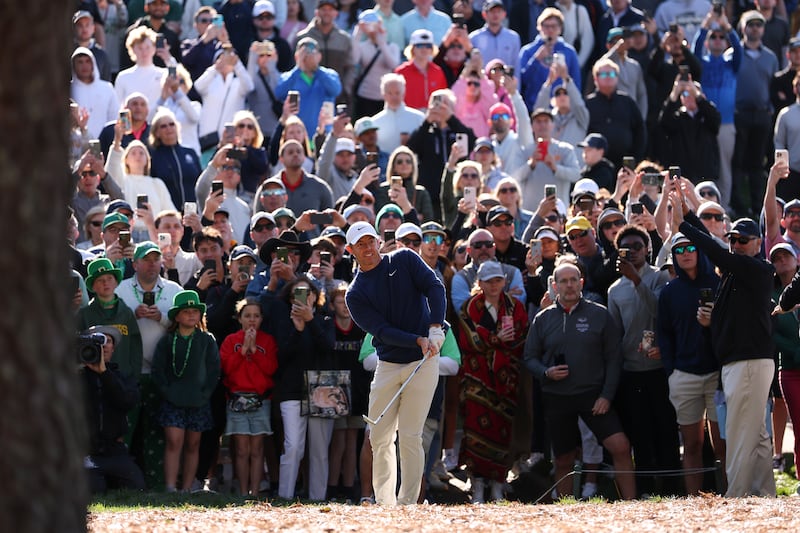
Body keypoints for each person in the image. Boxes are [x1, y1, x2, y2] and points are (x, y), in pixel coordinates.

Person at [675, 191, 777, 497]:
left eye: (743, 240)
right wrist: (689, 215)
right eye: (733, 239)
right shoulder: (733, 276)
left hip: (748, 363)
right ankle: (763, 495)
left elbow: (715, 250)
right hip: (741, 363)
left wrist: (684, 225)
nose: (736, 245)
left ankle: (736, 497)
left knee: (738, 433)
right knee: (755, 433)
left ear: (758, 244)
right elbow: (717, 247)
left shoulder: (758, 269)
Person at [344, 221, 447, 506]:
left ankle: (407, 503)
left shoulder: (404, 258)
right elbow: (382, 330)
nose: (367, 248)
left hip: (423, 362)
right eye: (360, 245)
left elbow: (434, 287)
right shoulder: (354, 294)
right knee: (379, 437)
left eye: (370, 241)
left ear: (378, 240)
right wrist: (417, 339)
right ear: (351, 250)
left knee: (411, 435)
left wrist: (435, 327)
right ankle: (385, 502)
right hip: (389, 363)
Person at [523, 259, 636, 500]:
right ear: (554, 285)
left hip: (593, 396)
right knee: (563, 459)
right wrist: (546, 372)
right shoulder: (543, 319)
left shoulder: (600, 314)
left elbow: (614, 359)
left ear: (581, 282)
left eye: (573, 280)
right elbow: (529, 358)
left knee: (621, 446)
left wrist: (606, 395)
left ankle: (631, 505)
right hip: (557, 396)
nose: (569, 285)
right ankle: (566, 513)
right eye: (563, 281)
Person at [607, 224, 680, 497]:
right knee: (640, 432)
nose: (633, 252)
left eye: (638, 246)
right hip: (631, 370)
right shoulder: (614, 290)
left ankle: (673, 488)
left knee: (666, 429)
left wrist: (636, 280)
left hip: (660, 368)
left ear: (648, 248)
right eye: (626, 248)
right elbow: (616, 334)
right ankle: (647, 489)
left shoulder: (659, 278)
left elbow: (659, 311)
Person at [658, 232, 724, 494]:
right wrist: (671, 370)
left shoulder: (719, 283)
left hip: (717, 374)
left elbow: (730, 329)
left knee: (722, 443)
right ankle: (695, 502)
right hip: (683, 375)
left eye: (690, 247)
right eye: (679, 250)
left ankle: (731, 496)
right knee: (692, 444)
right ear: (673, 256)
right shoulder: (669, 292)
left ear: (700, 251)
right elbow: (664, 334)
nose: (685, 253)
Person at [457, 260, 528, 503]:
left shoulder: (514, 307)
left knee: (502, 430)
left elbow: (520, 339)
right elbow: (468, 340)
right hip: (477, 379)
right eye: (488, 281)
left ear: (504, 281)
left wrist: (493, 342)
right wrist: (496, 339)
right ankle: (477, 485)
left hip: (506, 379)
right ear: (480, 283)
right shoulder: (470, 307)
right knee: (475, 428)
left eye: (498, 280)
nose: (494, 285)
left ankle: (498, 483)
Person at [151, 290, 220, 493]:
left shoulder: (207, 340)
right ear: (177, 316)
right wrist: (168, 391)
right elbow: (158, 370)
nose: (191, 315)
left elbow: (214, 370)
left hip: (199, 400)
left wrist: (204, 394)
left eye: (195, 311)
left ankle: (188, 488)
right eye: (186, 311)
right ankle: (171, 486)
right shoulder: (167, 341)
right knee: (174, 442)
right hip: (172, 400)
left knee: (193, 444)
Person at [219, 297, 279, 497]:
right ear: (240, 319)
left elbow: (271, 369)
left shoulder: (268, 341)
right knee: (242, 450)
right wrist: (243, 350)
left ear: (261, 319)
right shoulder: (230, 341)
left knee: (257, 449)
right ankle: (243, 491)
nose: (252, 320)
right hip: (237, 399)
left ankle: (255, 492)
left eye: (256, 316)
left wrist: (254, 350)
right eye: (247, 316)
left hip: (261, 400)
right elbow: (226, 369)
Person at [80, 325, 145, 494]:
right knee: (95, 489)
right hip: (86, 452)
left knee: (136, 487)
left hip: (114, 450)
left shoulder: (123, 377)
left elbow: (127, 401)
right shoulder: (75, 377)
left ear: (113, 348)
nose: (103, 346)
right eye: (97, 341)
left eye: (107, 341)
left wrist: (104, 373)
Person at [693, 8, 741, 212]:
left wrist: (726, 26)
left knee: (724, 167)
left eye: (722, 37)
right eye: (714, 37)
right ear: (707, 41)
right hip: (703, 122)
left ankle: (725, 207)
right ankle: (699, 205)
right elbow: (695, 50)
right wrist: (706, 25)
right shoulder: (701, 63)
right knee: (701, 163)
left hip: (726, 123)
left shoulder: (732, 63)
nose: (718, 40)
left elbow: (739, 49)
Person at [731, 10, 778, 217]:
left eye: (759, 25)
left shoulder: (770, 57)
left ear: (763, 29)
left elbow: (773, 87)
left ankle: (759, 206)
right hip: (739, 114)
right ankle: (740, 207)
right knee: (738, 162)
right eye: (751, 25)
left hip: (762, 115)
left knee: (758, 164)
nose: (755, 28)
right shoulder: (733, 54)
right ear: (743, 28)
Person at [77, 257, 143, 383]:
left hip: (123, 379)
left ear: (116, 282)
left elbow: (136, 347)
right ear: (93, 286)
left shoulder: (126, 313)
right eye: (100, 280)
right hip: (93, 381)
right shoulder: (84, 315)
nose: (105, 283)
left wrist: (134, 377)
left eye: (109, 279)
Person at [511, 107, 581, 211]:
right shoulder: (524, 151)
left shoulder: (565, 150)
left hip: (558, 212)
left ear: (552, 125)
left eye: (546, 121)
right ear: (532, 126)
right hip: (531, 212)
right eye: (538, 121)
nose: (542, 125)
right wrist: (531, 164)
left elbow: (576, 175)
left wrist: (555, 168)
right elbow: (514, 177)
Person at [274, 37, 342, 137]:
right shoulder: (288, 76)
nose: (308, 57)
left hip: (322, 133)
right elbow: (279, 94)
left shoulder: (329, 74)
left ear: (319, 56)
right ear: (296, 56)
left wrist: (317, 70)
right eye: (303, 54)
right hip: (296, 135)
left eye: (312, 53)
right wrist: (298, 69)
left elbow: (335, 91)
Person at [658, 78, 722, 183]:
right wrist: (675, 92)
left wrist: (698, 96)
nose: (689, 97)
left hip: (706, 175)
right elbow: (663, 122)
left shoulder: (707, 115)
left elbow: (715, 120)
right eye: (685, 94)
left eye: (692, 93)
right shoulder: (677, 117)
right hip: (683, 175)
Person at [585, 58, 646, 168]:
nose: (608, 77)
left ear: (617, 77)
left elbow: (640, 131)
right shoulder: (588, 105)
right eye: (603, 74)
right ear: (595, 79)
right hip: (597, 166)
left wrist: (636, 158)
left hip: (626, 165)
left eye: (612, 74)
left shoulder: (627, 102)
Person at [518, 8, 582, 112]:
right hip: (534, 107)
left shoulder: (569, 52)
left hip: (561, 109)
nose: (550, 30)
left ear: (560, 29)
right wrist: (536, 59)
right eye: (546, 26)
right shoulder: (528, 51)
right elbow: (522, 80)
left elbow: (576, 82)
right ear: (539, 27)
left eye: (554, 26)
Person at [296, 0, 355, 105]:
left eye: (331, 9)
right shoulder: (303, 37)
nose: (327, 13)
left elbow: (351, 67)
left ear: (336, 13)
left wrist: (345, 88)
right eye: (323, 9)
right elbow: (296, 66)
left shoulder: (344, 39)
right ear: (316, 12)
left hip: (337, 97)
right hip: (309, 97)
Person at [114, 27, 167, 118]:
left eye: (147, 47)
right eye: (140, 48)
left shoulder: (164, 74)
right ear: (133, 49)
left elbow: (179, 82)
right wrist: (125, 130)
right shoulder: (123, 76)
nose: (144, 52)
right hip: (132, 127)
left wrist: (168, 57)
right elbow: (118, 107)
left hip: (158, 126)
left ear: (154, 48)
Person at [369, 73, 425, 154]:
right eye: (390, 93)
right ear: (383, 94)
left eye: (397, 93)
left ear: (403, 93)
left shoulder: (419, 118)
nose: (394, 97)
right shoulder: (374, 122)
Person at [70, 47, 119, 139]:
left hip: (104, 142)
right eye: (80, 62)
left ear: (93, 63)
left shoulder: (107, 88)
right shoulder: (69, 90)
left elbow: (114, 117)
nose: (84, 66)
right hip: (76, 144)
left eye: (88, 61)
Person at [394, 29, 448, 112]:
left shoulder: (438, 72)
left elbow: (443, 97)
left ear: (432, 50)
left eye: (428, 46)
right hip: (408, 117)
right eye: (419, 45)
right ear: (412, 49)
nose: (424, 49)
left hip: (432, 117)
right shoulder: (401, 72)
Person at [469, 0, 520, 72]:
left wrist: (515, 83)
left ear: (504, 14)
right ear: (484, 14)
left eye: (499, 11)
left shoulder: (513, 37)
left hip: (505, 82)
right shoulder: (474, 38)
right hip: (482, 81)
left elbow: (516, 66)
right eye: (492, 11)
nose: (496, 14)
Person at [773, 71, 800, 203]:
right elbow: (779, 143)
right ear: (795, 88)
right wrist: (782, 170)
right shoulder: (785, 114)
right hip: (792, 173)